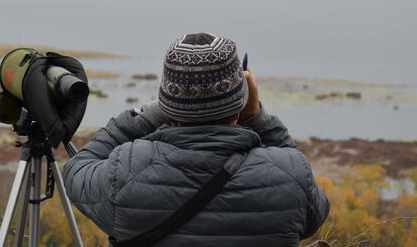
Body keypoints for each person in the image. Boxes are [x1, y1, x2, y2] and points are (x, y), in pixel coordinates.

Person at [63, 32, 330, 247]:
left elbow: (77, 169)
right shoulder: (289, 173)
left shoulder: (125, 171)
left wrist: (146, 117)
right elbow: (313, 216)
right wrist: (258, 118)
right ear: (242, 100)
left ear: (169, 105)